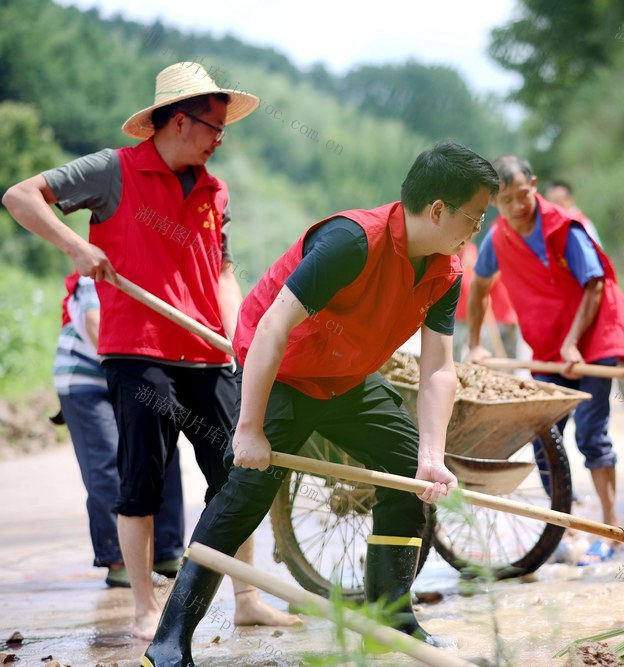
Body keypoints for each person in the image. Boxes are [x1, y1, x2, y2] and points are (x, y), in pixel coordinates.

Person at [141, 141, 499, 664]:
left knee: (409, 475)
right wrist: (249, 429)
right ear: (439, 209)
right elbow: (272, 327)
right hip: (284, 372)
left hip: (346, 378)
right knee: (244, 495)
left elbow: (439, 368)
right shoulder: (351, 241)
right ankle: (169, 641)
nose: (479, 228)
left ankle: (388, 621)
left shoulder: (446, 269)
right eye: (475, 216)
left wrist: (431, 456)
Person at [3, 62, 295, 639]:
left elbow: (222, 271)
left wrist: (236, 337)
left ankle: (246, 599)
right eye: (214, 127)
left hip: (207, 355)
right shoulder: (112, 170)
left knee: (237, 476)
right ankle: (143, 608)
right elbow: (20, 195)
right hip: (139, 353)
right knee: (142, 484)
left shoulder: (214, 190)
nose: (220, 139)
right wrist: (74, 246)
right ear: (180, 121)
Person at [468, 156, 624, 565]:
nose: (517, 206)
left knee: (591, 434)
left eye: (523, 195)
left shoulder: (564, 228)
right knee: (545, 439)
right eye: (506, 200)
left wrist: (573, 344)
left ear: (534, 186)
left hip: (593, 338)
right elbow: (479, 289)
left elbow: (595, 285)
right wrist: (473, 345)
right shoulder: (497, 239)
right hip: (548, 347)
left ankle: (612, 530)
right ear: (493, 202)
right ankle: (568, 529)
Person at [53, 272, 185, 587]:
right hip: (89, 380)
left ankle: (165, 552)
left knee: (161, 453)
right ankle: (119, 560)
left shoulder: (157, 270)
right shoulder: (97, 270)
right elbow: (94, 323)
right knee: (109, 464)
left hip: (136, 376)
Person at [454, 240, 519, 359]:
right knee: (457, 351)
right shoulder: (470, 252)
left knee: (505, 357)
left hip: (504, 317)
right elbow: (477, 285)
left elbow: (480, 285)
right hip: (464, 315)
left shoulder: (475, 251)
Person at [544, 179, 603, 247]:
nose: (554, 207)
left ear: (569, 199)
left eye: (558, 201)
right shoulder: (548, 226)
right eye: (549, 202)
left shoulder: (581, 224)